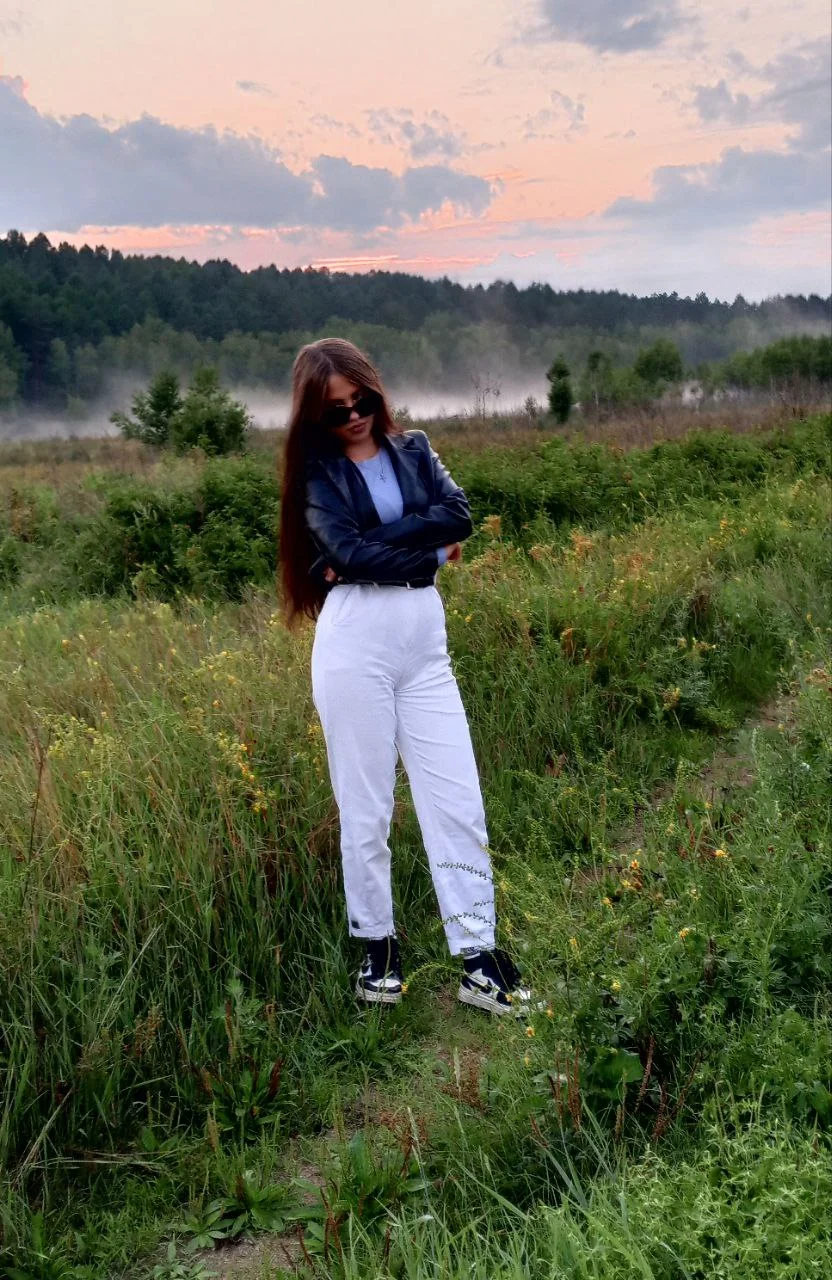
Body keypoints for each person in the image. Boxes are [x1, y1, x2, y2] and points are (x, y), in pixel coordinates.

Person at [279, 337, 531, 1016]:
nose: (353, 416)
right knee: (365, 805)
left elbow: (458, 516)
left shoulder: (414, 449)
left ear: (375, 391)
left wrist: (369, 551)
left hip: (424, 641)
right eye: (336, 410)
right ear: (315, 416)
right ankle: (378, 950)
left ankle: (479, 959)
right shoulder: (317, 475)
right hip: (355, 643)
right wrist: (428, 554)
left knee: (457, 798)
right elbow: (352, 552)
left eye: (360, 399)